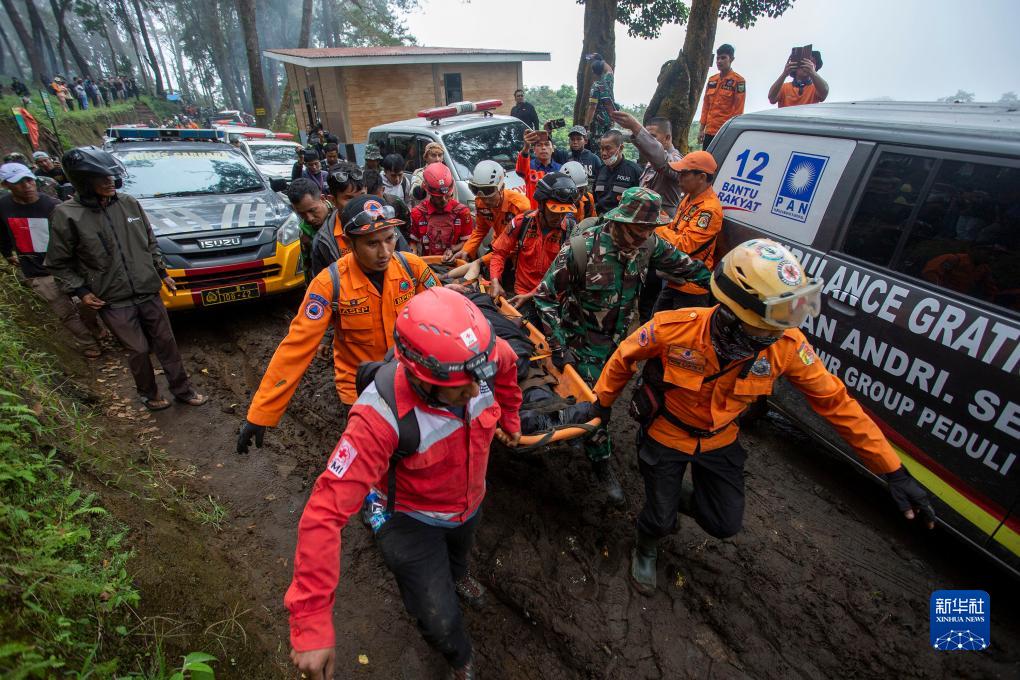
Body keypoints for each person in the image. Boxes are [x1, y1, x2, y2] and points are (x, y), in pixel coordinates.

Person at [592, 239, 935, 593]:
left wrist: (892, 470)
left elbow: (836, 403)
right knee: (660, 519)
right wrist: (601, 404)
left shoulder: (786, 347)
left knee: (724, 523)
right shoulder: (675, 328)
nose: (781, 330)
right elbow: (622, 358)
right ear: (733, 313)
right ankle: (647, 545)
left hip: (720, 440)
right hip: (667, 434)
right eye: (773, 320)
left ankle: (672, 498)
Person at [284, 287, 522, 680]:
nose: (474, 391)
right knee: (438, 617)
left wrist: (510, 417)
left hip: (468, 502)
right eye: (460, 386)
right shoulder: (378, 419)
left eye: (478, 379)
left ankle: (458, 575)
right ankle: (458, 657)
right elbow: (323, 512)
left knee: (460, 553)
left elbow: (508, 370)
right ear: (421, 377)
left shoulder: (481, 360)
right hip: (409, 517)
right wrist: (310, 622)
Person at [535, 187, 710, 505]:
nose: (641, 237)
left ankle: (577, 428)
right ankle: (601, 464)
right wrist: (558, 346)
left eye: (648, 230)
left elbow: (685, 266)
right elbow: (544, 297)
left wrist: (724, 287)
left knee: (604, 399)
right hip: (581, 342)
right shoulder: (581, 249)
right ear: (619, 221)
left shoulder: (648, 244)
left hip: (620, 346)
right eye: (636, 230)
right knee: (597, 406)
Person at [236, 194, 441, 451]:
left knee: (413, 451)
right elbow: (296, 348)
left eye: (390, 239)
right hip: (361, 392)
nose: (385, 252)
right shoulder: (329, 284)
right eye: (372, 243)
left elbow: (443, 317)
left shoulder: (412, 268)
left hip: (408, 381)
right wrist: (262, 412)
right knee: (369, 453)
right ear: (349, 243)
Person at [45, 146, 207, 411]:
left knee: (167, 344)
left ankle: (183, 390)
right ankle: (149, 394)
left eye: (111, 176)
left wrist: (161, 272)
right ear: (83, 181)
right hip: (112, 298)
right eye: (102, 178)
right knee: (138, 350)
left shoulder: (129, 203)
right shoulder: (67, 215)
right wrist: (82, 291)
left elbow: (149, 241)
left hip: (147, 289)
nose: (110, 182)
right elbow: (58, 263)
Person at [0, 163, 104, 358]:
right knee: (64, 312)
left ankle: (95, 328)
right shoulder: (3, 206)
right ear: (6, 185)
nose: (27, 186)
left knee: (87, 304)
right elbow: (2, 234)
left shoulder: (53, 206)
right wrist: (7, 253)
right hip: (37, 271)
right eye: (19, 183)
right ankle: (88, 343)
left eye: (29, 180)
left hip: (68, 266)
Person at [488, 173, 577, 322]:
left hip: (552, 299)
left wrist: (532, 295)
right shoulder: (521, 223)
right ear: (541, 204)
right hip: (521, 294)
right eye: (555, 212)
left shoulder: (571, 231)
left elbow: (563, 275)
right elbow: (499, 253)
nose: (560, 217)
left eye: (564, 212)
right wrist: (495, 280)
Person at [653, 151, 723, 312]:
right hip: (675, 277)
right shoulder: (689, 198)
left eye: (684, 173)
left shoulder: (709, 210)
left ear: (702, 177)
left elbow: (685, 245)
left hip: (692, 286)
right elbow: (674, 228)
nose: (679, 177)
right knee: (656, 321)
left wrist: (654, 227)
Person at [453, 160, 531, 262]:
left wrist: (481, 261)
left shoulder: (520, 206)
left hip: (520, 252)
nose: (486, 201)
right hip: (497, 246)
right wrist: (466, 250)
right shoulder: (480, 202)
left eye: (490, 196)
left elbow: (518, 243)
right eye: (482, 197)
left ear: (502, 188)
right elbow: (481, 229)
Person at [609, 111, 683, 216]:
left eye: (652, 136)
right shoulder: (651, 162)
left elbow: (661, 161)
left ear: (667, 138)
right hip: (643, 219)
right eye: (647, 136)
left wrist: (635, 126)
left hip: (663, 222)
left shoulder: (677, 161)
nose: (648, 140)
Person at [408, 163, 473, 259]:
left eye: (447, 195)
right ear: (428, 192)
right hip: (427, 263)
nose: (444, 200)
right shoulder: (418, 213)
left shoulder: (462, 212)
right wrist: (413, 254)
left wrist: (454, 249)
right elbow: (413, 242)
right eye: (438, 197)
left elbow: (469, 241)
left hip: (456, 263)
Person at [287, 178, 333, 283]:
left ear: (322, 198)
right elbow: (308, 266)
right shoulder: (304, 231)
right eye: (301, 214)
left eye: (312, 210)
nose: (309, 218)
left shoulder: (341, 214)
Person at [699, 45, 745, 149]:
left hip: (724, 132)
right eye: (718, 58)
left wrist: (732, 133)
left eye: (723, 58)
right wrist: (701, 129)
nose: (719, 61)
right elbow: (705, 106)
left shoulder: (738, 81)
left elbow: (738, 110)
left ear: (731, 59)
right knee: (705, 158)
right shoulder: (712, 80)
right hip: (709, 131)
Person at [592, 130, 642, 214]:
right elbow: (595, 198)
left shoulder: (634, 171)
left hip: (623, 219)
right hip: (600, 218)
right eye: (602, 148)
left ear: (621, 148)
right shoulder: (600, 170)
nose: (604, 153)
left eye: (608, 148)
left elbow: (641, 202)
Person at [515, 130, 562, 207]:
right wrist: (526, 147)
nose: (543, 148)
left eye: (547, 144)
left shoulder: (561, 169)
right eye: (539, 145)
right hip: (534, 212)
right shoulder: (528, 166)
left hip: (555, 212)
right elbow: (520, 169)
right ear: (534, 150)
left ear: (553, 149)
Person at [365, 168, 411, 240]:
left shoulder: (395, 203)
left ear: (383, 189)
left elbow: (407, 225)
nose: (372, 203)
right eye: (368, 198)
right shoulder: (360, 207)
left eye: (375, 197)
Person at [583, 54, 615, 151]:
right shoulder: (609, 81)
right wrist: (600, 58)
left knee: (598, 146)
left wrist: (586, 125)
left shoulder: (596, 86)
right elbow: (609, 70)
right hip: (610, 120)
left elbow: (592, 107)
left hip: (598, 123)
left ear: (594, 72)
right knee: (609, 143)